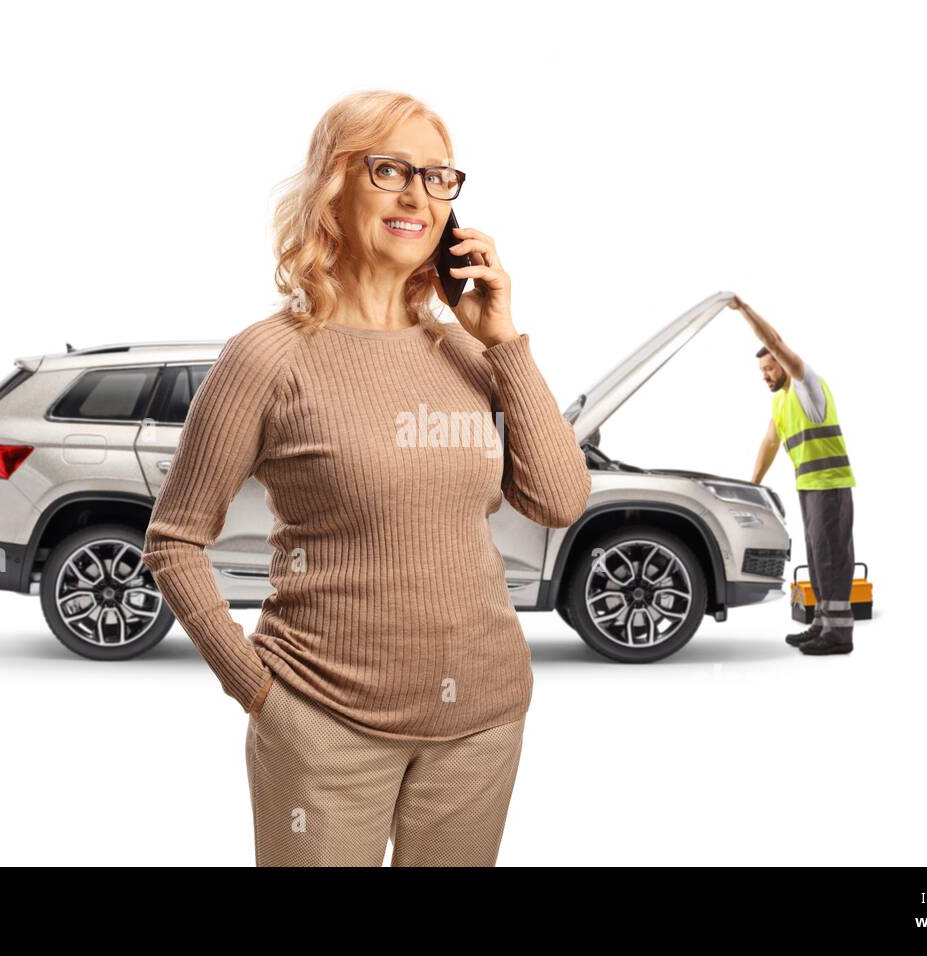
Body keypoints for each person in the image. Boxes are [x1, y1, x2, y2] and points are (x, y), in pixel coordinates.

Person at [141, 90, 591, 865]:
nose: (418, 194)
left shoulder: (472, 353)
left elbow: (557, 500)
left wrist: (505, 338)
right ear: (332, 188)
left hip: (481, 722)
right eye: (390, 169)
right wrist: (259, 692)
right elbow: (175, 540)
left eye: (439, 177)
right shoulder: (269, 356)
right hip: (323, 723)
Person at [730, 296, 857, 656]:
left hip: (830, 487)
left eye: (770, 368)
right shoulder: (780, 401)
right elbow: (770, 441)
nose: (766, 375)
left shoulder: (806, 385)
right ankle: (822, 624)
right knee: (819, 557)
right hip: (810, 489)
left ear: (783, 363)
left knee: (832, 556)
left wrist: (744, 310)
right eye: (761, 371)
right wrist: (752, 484)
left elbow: (775, 342)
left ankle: (839, 636)